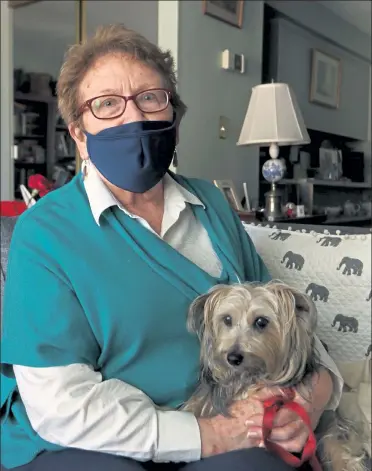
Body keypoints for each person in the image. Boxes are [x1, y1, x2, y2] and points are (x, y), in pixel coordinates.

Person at [1, 24, 343, 471]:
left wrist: (307, 404)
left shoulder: (212, 204)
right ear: (79, 135)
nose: (134, 119)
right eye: (106, 104)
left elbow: (288, 326)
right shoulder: (44, 232)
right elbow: (59, 404)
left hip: (220, 413)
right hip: (86, 438)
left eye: (150, 98)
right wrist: (207, 436)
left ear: (174, 121)